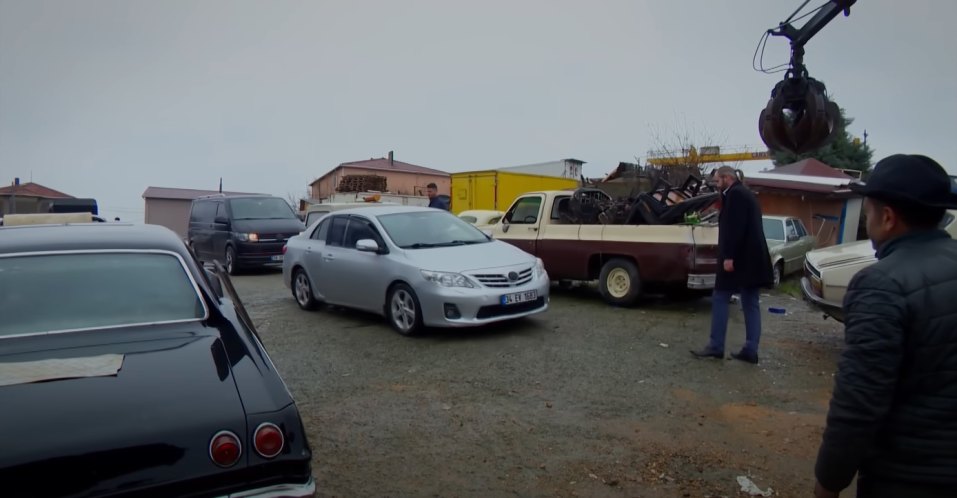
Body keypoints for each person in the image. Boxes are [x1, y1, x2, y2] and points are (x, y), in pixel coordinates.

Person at [813, 154, 957, 498]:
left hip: (909, 477)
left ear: (888, 217)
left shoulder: (880, 284)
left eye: (868, 213)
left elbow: (859, 402)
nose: (868, 221)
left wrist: (829, 481)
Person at [691, 165, 773, 364]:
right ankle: (750, 349)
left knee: (720, 297)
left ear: (727, 178)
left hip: (738, 259)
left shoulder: (735, 195)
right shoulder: (747, 194)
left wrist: (728, 256)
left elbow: (734, 228)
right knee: (750, 302)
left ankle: (716, 345)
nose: (717, 185)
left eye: (718, 181)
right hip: (753, 258)